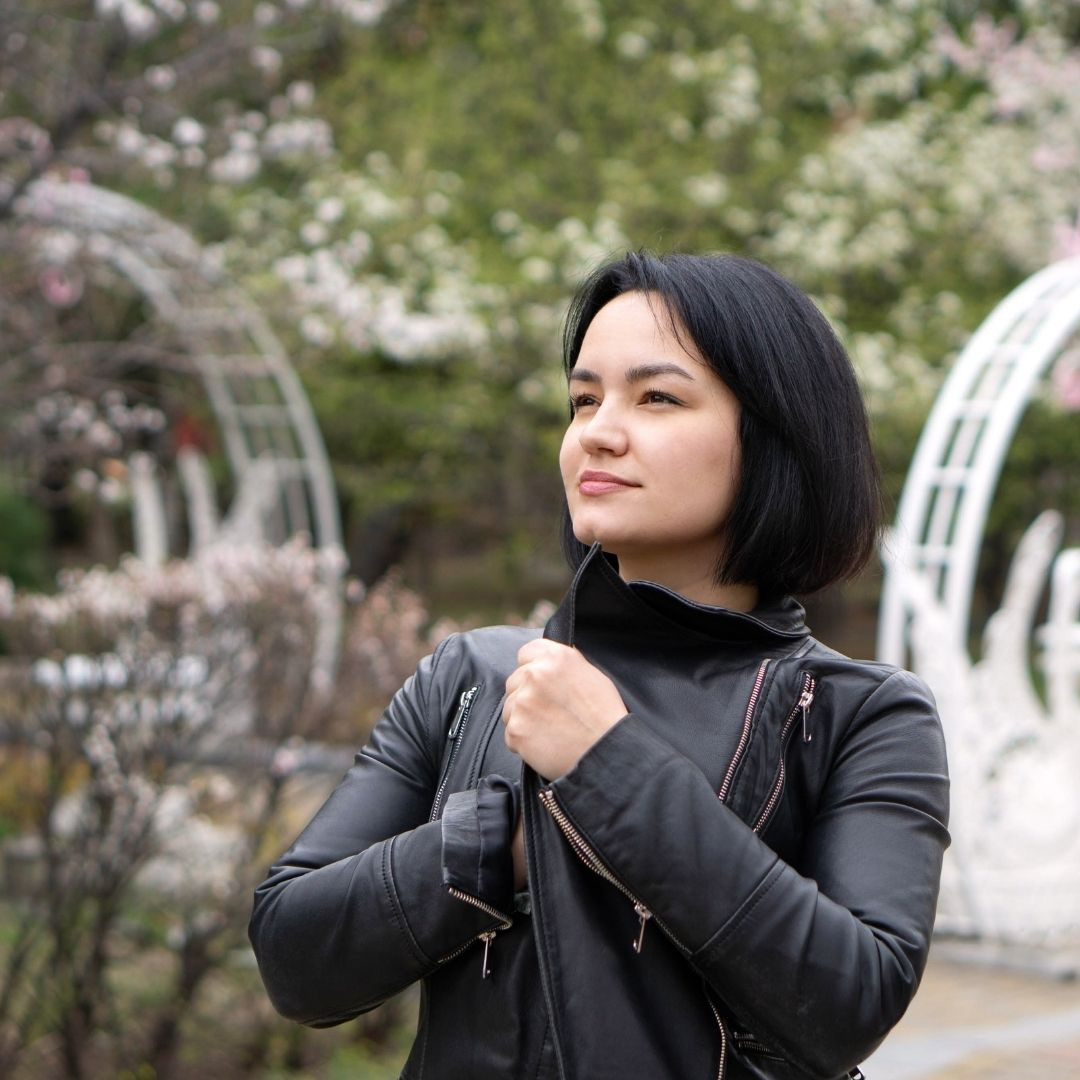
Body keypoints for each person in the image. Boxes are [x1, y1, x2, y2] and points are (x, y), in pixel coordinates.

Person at [249, 252, 950, 1080]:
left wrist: (605, 765)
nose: (597, 431)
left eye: (657, 397)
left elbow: (848, 1004)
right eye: (584, 399)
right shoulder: (473, 677)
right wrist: (501, 844)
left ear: (774, 436)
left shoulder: (858, 713)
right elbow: (293, 952)